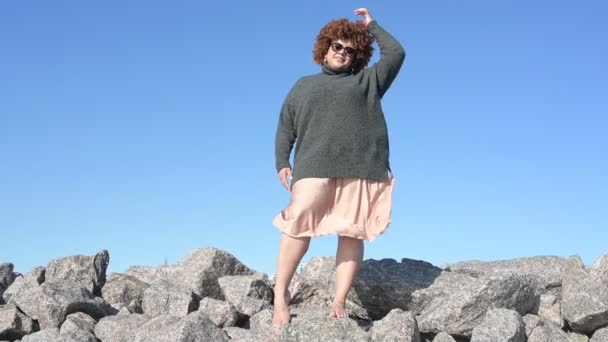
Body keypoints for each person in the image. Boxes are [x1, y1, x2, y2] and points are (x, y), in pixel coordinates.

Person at [271, 8, 405, 326]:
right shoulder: (303, 86)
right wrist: (281, 163)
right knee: (297, 224)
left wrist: (371, 26)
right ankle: (280, 295)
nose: (342, 53)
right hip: (312, 166)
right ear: (325, 47)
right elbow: (284, 126)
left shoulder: (367, 81)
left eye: (350, 49)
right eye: (337, 46)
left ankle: (339, 299)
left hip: (361, 169)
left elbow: (397, 53)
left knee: (351, 232)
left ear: (357, 55)